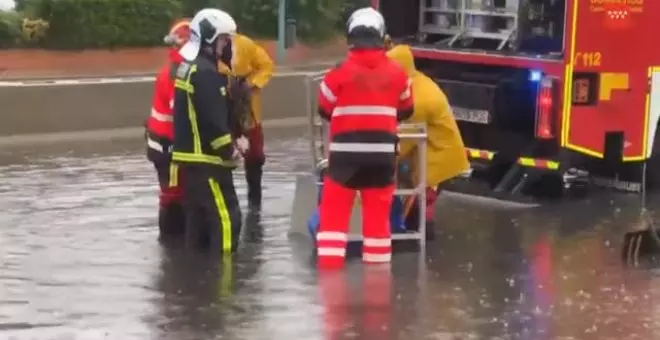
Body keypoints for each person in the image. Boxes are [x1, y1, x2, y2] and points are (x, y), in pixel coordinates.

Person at [315, 7, 414, 269]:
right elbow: (407, 110)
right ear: (381, 36)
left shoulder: (338, 73)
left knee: (334, 221)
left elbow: (323, 109)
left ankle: (331, 286)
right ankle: (378, 289)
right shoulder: (398, 73)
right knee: (378, 223)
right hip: (382, 158)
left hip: (344, 159)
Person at [171, 8, 248, 253]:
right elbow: (212, 120)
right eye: (226, 40)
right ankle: (225, 285)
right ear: (211, 40)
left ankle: (196, 283)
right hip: (208, 164)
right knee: (227, 222)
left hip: (191, 163)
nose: (229, 46)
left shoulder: (189, 68)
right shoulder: (206, 73)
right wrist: (231, 150)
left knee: (198, 229)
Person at [386, 44, 470, 239]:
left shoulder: (419, 99)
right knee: (420, 202)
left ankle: (421, 247)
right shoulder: (418, 82)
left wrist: (384, 161)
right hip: (437, 153)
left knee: (421, 204)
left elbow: (405, 139)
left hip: (438, 158)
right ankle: (422, 244)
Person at [217, 29, 274, 211]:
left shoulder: (246, 45)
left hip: (247, 108)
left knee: (255, 155)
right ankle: (225, 200)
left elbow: (266, 65)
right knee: (221, 154)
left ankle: (254, 199)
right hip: (221, 108)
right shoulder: (206, 51)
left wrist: (252, 83)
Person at [145, 18, 191, 241]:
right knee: (173, 196)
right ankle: (171, 245)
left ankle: (172, 246)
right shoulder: (176, 74)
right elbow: (181, 113)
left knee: (174, 193)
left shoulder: (176, 69)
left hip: (163, 144)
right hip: (168, 147)